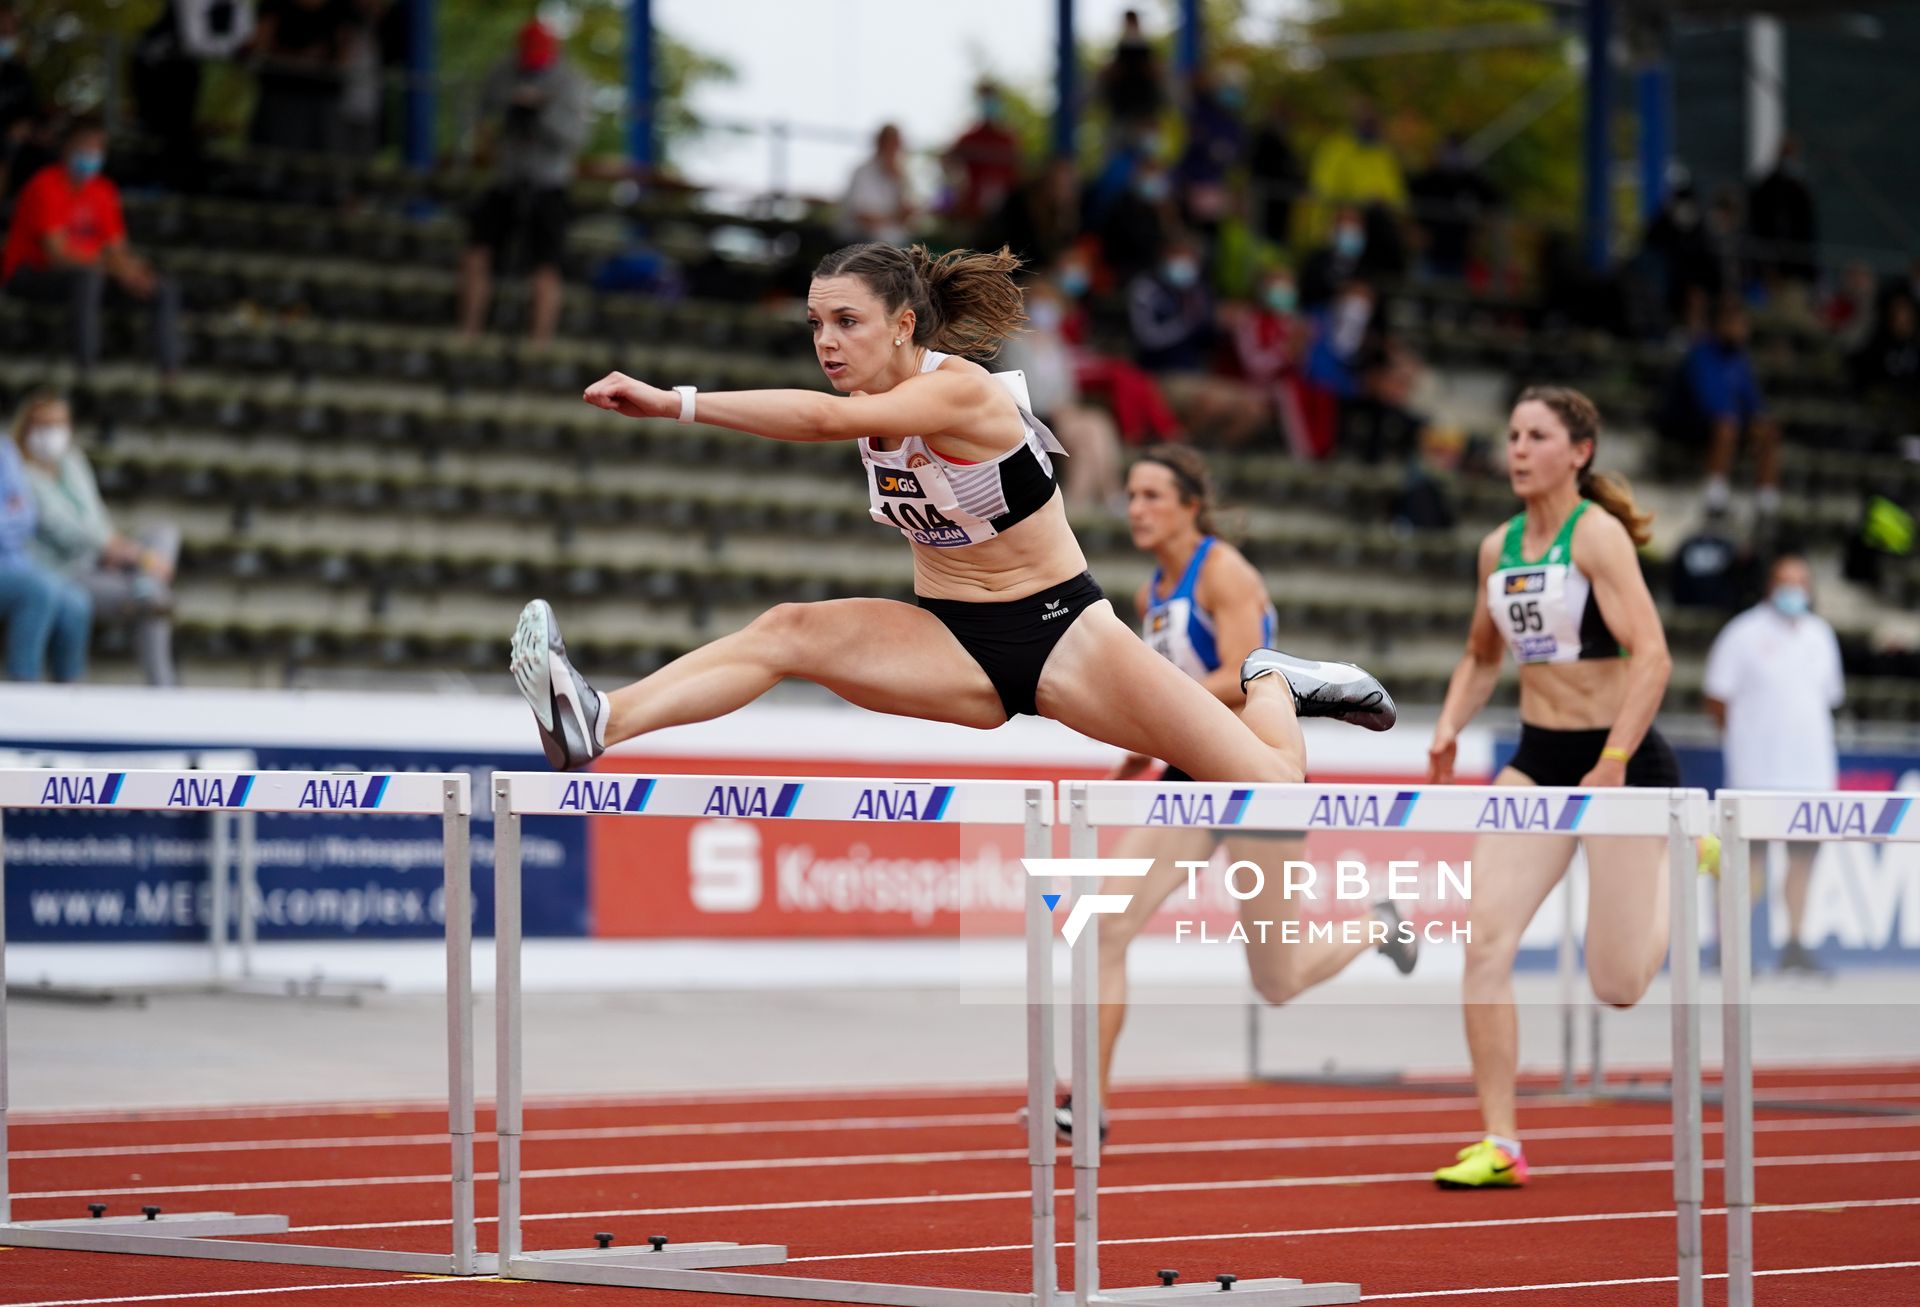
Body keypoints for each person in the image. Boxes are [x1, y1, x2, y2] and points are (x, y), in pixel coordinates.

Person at [511, 243, 1397, 812]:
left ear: (904, 326)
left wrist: (676, 403)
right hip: (950, 637)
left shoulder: (960, 391)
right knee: (786, 629)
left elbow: (820, 422)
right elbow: (831, 414)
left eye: (847, 322)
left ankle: (1272, 679)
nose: (826, 340)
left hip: (1063, 635)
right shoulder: (870, 397)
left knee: (1274, 787)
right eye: (816, 322)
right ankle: (601, 719)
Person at [1063, 446, 1418, 1140]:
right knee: (1104, 923)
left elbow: (1254, 674)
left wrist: (1165, 708)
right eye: (1131, 495)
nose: (1136, 508)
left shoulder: (1224, 571)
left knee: (1277, 982)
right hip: (1193, 772)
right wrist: (1133, 757)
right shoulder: (1149, 594)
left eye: (1152, 496)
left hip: (1257, 771)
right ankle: (1089, 1101)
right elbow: (1167, 698)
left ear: (1191, 505)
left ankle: (1382, 921)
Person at [1427, 386, 1676, 1189]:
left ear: (1580, 452)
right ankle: (1500, 1141)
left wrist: (1614, 758)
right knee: (1483, 941)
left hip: (1621, 761)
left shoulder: (1598, 538)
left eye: (1538, 435)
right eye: (1512, 435)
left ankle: (1684, 863)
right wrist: (1449, 725)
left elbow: (1655, 656)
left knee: (1619, 987)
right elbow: (1482, 655)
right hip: (1537, 758)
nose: (1519, 449)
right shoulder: (1496, 546)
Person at [1702, 550, 1843, 976]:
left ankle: (1795, 944)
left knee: (1803, 861)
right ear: (1770, 585)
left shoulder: (1821, 635)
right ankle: (1732, 949)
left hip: (1810, 773)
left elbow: (1829, 698)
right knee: (1747, 863)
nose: (1794, 590)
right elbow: (1717, 697)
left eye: (1802, 582)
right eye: (1787, 581)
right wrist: (1745, 743)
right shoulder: (1742, 633)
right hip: (1757, 773)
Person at [13, 392, 177, 686]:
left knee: (164, 533)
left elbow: (95, 516)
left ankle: (146, 585)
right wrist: (130, 554)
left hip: (100, 557)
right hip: (65, 569)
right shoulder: (20, 473)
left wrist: (117, 548)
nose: (52, 434)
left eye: (59, 425)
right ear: (27, 429)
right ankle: (163, 685)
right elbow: (63, 530)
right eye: (44, 425)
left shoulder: (73, 462)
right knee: (156, 601)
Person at [1, 116, 183, 377]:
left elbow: (117, 247)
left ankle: (169, 369)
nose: (92, 153)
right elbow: (56, 255)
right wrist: (113, 268)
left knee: (160, 285)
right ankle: (87, 365)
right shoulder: (45, 185)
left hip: (93, 270)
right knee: (89, 277)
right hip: (31, 274)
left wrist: (132, 272)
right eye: (86, 145)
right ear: (67, 147)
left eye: (98, 147)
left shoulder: (103, 190)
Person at [458, 18, 589, 346]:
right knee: (477, 250)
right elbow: (478, 112)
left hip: (549, 183)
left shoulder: (570, 81)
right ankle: (469, 330)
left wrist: (541, 113)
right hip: (507, 178)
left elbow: (576, 138)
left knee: (545, 265)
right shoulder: (503, 72)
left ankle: (539, 342)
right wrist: (502, 116)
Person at [1666, 298, 1781, 519]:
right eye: (1737, 324)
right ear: (1721, 325)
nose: (1743, 330)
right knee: (1726, 425)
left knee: (1768, 430)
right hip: (1688, 423)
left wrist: (1758, 420)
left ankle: (1767, 501)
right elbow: (1706, 401)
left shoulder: (1740, 359)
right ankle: (1714, 497)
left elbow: (1753, 401)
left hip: (1729, 421)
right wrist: (1738, 418)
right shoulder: (1701, 354)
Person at [0, 414, 88, 682]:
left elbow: (26, 516)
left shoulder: (3, 449)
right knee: (39, 589)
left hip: (13, 564)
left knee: (76, 603)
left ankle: (68, 696)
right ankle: (24, 686)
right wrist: (8, 515)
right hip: (18, 572)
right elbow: (14, 514)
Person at [840, 124, 914, 247]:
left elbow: (905, 216)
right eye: (890, 145)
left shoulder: (898, 176)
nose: (894, 150)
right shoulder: (863, 173)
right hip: (858, 242)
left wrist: (901, 183)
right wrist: (895, 217)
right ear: (880, 144)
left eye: (897, 146)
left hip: (891, 242)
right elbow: (862, 217)